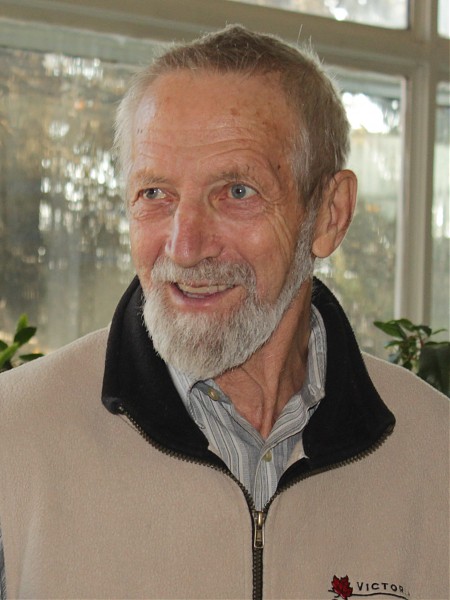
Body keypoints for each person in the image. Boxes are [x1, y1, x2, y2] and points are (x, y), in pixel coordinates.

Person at [0, 25, 448, 600]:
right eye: (155, 194)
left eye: (237, 191)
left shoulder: (437, 454)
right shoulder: (12, 439)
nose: (185, 247)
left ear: (329, 214)